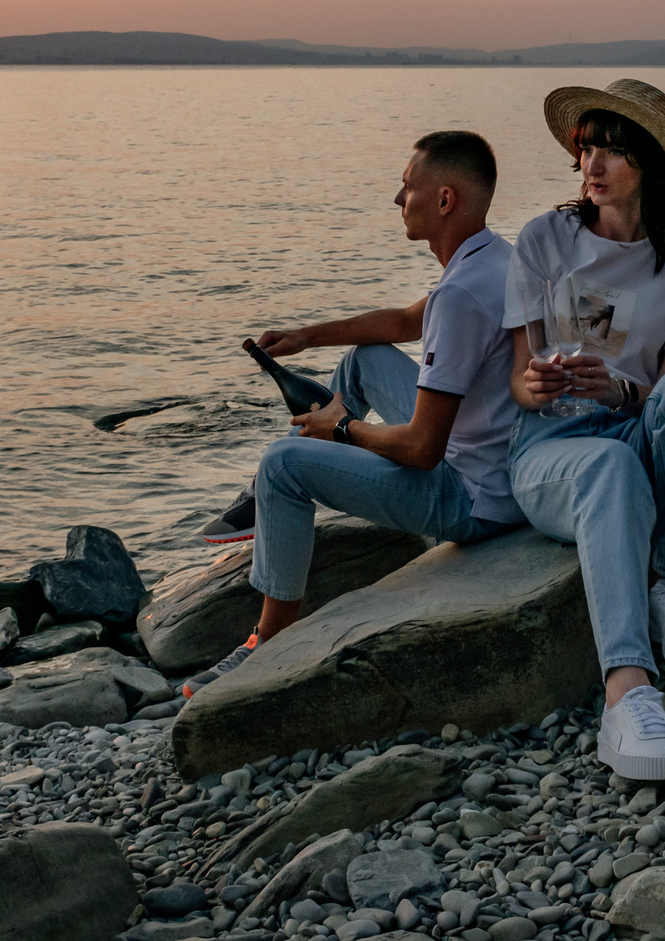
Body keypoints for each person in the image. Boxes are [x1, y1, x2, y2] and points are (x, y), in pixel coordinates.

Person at [182, 130, 525, 697]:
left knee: (283, 463)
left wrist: (340, 428)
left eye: (407, 186)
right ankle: (278, 499)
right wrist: (307, 336)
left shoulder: (462, 294)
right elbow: (399, 325)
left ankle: (266, 640)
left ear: (444, 200)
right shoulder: (493, 258)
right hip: (493, 463)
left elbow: (422, 450)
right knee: (364, 359)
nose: (397, 199)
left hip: (473, 497)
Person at [503, 79, 665, 781]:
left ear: (652, 165)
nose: (593, 164)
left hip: (635, 429)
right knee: (606, 465)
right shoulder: (545, 239)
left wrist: (624, 387)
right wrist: (534, 384)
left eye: (614, 150)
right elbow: (519, 377)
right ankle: (626, 695)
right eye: (587, 147)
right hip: (553, 452)